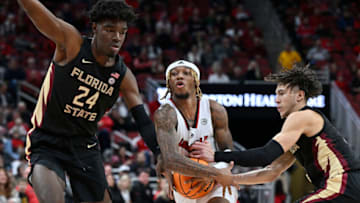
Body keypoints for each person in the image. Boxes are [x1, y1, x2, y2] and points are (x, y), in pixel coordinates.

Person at [17, 0, 160, 202]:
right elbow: (35, 12)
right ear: (95, 28)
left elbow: (143, 121)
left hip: (85, 147)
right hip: (47, 142)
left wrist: (159, 153)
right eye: (110, 30)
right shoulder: (72, 44)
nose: (117, 37)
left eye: (122, 32)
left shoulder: (123, 76)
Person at [190, 65, 360, 202]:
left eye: (281, 93)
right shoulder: (300, 133)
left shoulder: (302, 116)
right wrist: (232, 179)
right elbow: (271, 171)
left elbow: (265, 155)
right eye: (275, 94)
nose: (276, 99)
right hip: (347, 188)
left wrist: (216, 156)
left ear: (299, 96)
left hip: (343, 185)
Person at [154, 60, 237, 203]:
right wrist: (210, 173)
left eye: (186, 73)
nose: (179, 76)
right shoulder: (165, 114)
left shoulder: (214, 110)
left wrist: (219, 169)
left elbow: (229, 152)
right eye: (174, 74)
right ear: (169, 83)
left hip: (214, 171)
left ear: (196, 81)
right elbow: (170, 160)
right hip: (184, 178)